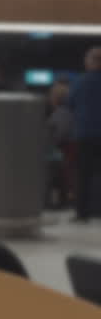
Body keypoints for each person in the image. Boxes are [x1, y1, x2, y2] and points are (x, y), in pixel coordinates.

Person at [71, 47, 101, 223]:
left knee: (84, 174)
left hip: (85, 135)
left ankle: (82, 213)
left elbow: (70, 103)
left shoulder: (80, 82)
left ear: (89, 61)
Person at [46, 80, 75, 209]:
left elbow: (55, 138)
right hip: (65, 154)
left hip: (62, 154)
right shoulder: (69, 113)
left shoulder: (61, 114)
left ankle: (53, 201)